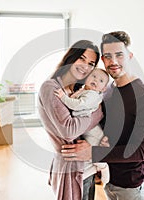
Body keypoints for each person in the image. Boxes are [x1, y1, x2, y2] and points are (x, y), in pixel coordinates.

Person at [61, 31, 144, 200]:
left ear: (129, 56)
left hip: (131, 184)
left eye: (119, 55)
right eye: (108, 56)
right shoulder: (107, 90)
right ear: (103, 60)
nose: (113, 61)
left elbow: (142, 151)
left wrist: (93, 153)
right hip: (108, 179)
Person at [38, 40, 104, 200]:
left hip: (87, 167)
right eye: (81, 58)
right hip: (72, 167)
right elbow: (69, 131)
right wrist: (96, 114)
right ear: (70, 58)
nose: (85, 66)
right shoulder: (51, 87)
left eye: (91, 63)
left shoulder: (78, 89)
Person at [54, 68, 111, 200]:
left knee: (92, 149)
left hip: (92, 132)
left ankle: (103, 166)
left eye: (101, 80)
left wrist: (63, 97)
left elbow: (78, 105)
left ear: (102, 89)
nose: (96, 80)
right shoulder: (86, 90)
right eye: (94, 76)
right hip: (86, 129)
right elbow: (75, 98)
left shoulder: (92, 95)